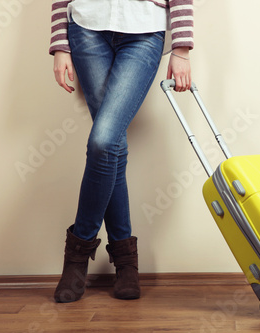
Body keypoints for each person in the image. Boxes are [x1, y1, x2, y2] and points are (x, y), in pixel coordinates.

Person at [49, 0, 194, 303]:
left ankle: (77, 256)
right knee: (113, 144)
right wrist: (60, 44)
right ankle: (126, 262)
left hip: (144, 30)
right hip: (86, 26)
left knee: (103, 140)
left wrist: (181, 48)